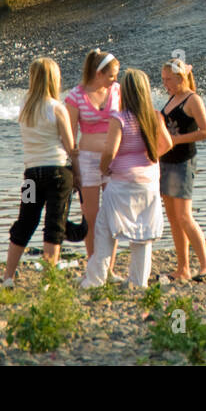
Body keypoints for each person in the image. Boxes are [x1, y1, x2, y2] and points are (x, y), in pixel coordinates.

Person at [79, 68, 173, 289]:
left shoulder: (119, 119)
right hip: (148, 183)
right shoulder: (154, 116)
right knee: (142, 234)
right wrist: (150, 159)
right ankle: (139, 282)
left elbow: (110, 152)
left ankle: (95, 280)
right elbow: (168, 143)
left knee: (105, 229)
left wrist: (105, 169)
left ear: (125, 93)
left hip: (122, 183)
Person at [2, 58, 78, 287]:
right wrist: (79, 172)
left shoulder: (25, 107)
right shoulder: (57, 108)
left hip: (31, 176)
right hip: (57, 173)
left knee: (25, 220)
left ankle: (8, 276)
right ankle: (48, 279)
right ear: (54, 79)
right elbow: (69, 145)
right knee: (54, 223)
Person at [159, 59, 206, 282]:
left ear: (181, 78)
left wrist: (176, 139)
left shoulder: (193, 99)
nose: (165, 84)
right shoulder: (173, 98)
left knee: (184, 216)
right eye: (163, 80)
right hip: (166, 161)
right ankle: (183, 268)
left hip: (183, 162)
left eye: (169, 80)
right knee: (173, 218)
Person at [65, 50, 120, 264]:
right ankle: (93, 262)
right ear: (98, 73)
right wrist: (74, 167)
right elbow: (69, 135)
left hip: (113, 158)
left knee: (112, 212)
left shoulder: (116, 90)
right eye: (111, 74)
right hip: (86, 160)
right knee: (91, 214)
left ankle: (110, 266)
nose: (115, 78)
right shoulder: (75, 95)